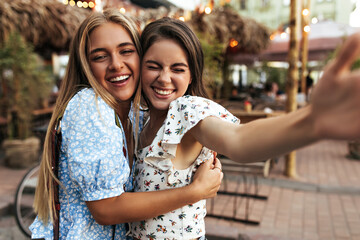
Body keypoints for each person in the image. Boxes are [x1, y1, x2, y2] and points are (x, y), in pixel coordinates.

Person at [131, 17, 360, 239]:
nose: (164, 78)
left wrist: (312, 122)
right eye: (153, 66)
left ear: (191, 76)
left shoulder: (186, 110)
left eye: (178, 69)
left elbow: (239, 140)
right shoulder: (140, 119)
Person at [30, 10, 223, 240]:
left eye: (126, 51)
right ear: (85, 66)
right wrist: (194, 192)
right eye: (100, 56)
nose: (116, 64)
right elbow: (105, 209)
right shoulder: (90, 106)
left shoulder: (134, 115)